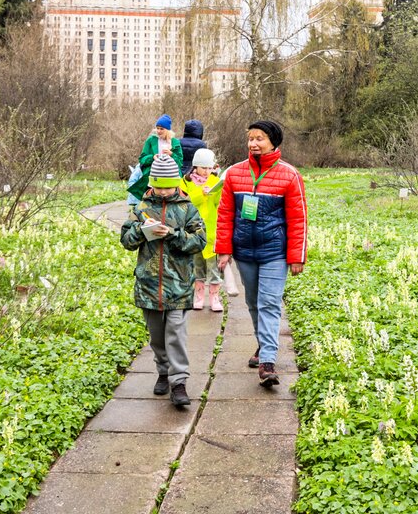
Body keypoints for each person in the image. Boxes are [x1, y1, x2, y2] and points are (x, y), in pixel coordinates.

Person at [215, 120, 307, 387]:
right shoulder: (234, 174)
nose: (253, 143)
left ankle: (268, 361)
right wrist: (223, 250)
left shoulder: (289, 175)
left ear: (273, 142)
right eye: (250, 138)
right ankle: (263, 343)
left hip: (274, 253)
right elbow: (225, 214)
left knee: (269, 303)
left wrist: (296, 255)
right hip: (244, 251)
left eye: (259, 139)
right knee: (254, 304)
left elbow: (298, 218)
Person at [120, 153, 206, 408]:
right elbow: (126, 240)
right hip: (149, 285)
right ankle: (163, 371)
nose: (165, 191)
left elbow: (199, 241)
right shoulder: (142, 208)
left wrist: (172, 234)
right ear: (152, 184)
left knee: (176, 334)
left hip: (178, 285)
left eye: (169, 186)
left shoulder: (187, 209)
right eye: (159, 186)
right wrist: (142, 232)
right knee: (157, 336)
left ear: (177, 184)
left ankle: (179, 382)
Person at [180, 148, 224, 312]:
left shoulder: (215, 182)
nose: (207, 171)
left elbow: (220, 204)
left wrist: (212, 195)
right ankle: (199, 296)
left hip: (212, 231)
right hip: (194, 232)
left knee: (214, 267)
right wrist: (201, 195)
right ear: (195, 167)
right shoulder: (186, 182)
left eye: (210, 168)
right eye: (203, 168)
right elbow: (186, 203)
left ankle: (214, 297)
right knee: (197, 266)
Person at [127, 114, 183, 204]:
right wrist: (152, 158)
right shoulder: (151, 140)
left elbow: (180, 162)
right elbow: (142, 158)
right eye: (157, 128)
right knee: (151, 201)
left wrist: (171, 154)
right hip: (153, 175)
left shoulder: (175, 142)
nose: (159, 131)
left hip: (170, 176)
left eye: (161, 129)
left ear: (167, 130)